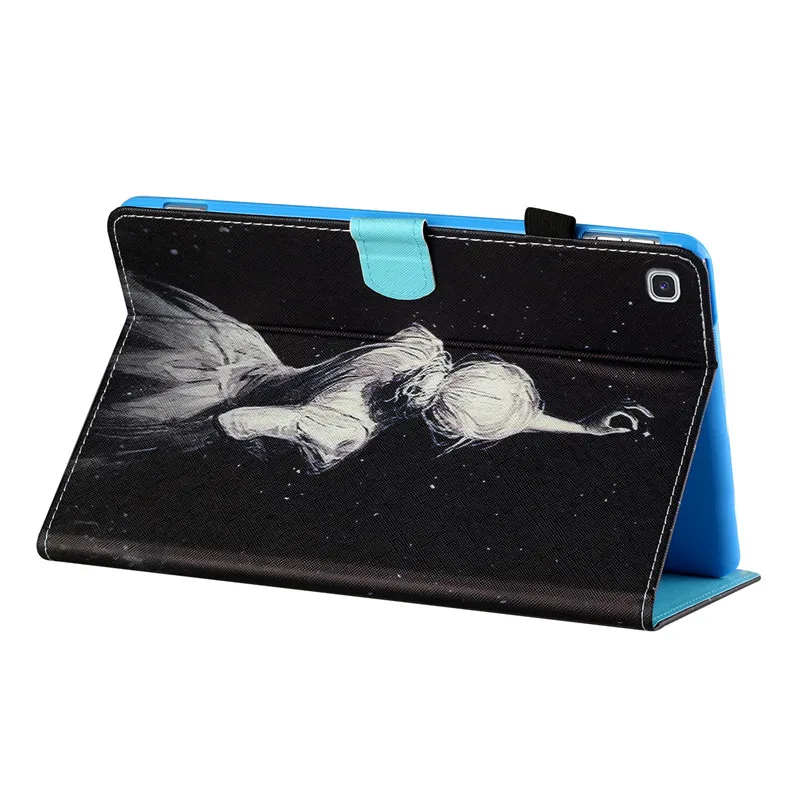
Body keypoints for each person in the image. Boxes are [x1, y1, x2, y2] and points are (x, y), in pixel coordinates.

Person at [95, 277, 652, 472]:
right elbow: (235, 422)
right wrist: (162, 440)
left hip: (234, 352)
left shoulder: (422, 353)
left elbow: (494, 408)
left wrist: (582, 428)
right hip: (193, 403)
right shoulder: (344, 428)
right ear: (447, 428)